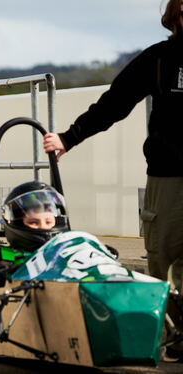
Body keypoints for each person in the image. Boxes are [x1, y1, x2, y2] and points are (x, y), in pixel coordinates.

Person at [42, 0, 183, 296]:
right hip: (169, 179)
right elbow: (115, 102)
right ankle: (171, 341)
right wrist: (70, 137)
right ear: (177, 13)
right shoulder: (159, 59)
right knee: (164, 271)